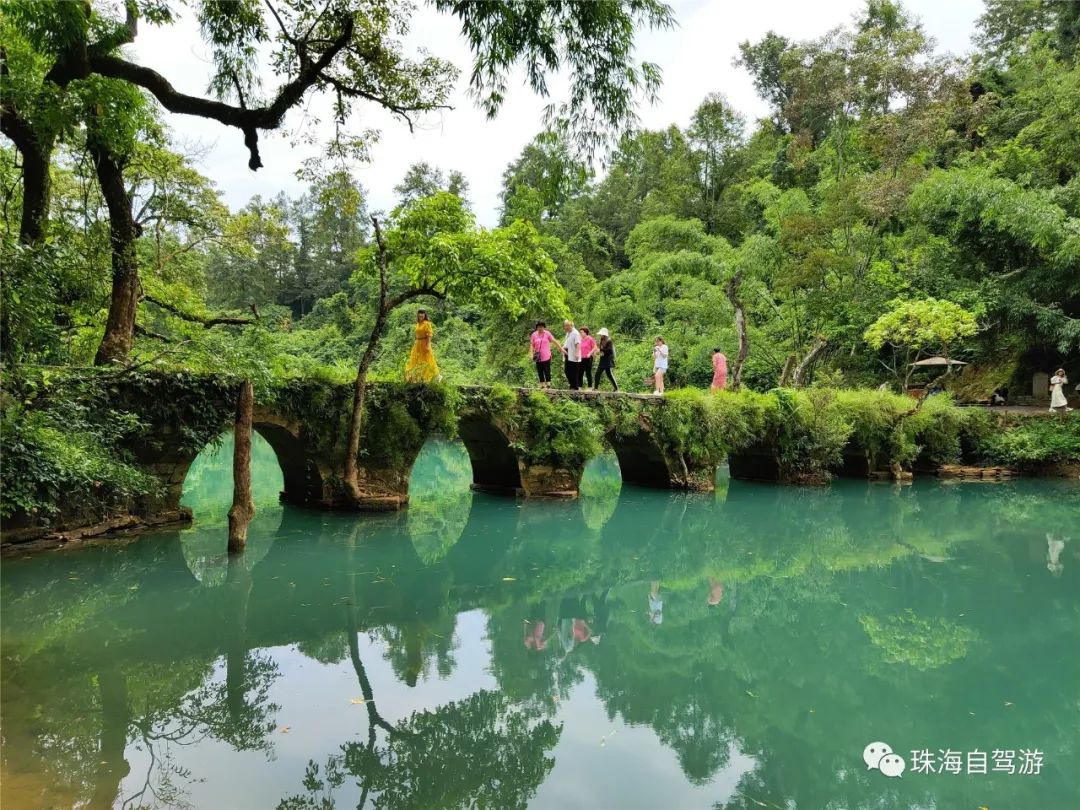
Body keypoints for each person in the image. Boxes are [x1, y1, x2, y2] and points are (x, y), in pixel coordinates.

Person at [404, 309, 439, 382]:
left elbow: (429, 335)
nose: (421, 316)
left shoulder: (427, 323)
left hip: (424, 343)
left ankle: (433, 376)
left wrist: (428, 345)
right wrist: (416, 342)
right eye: (419, 315)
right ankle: (415, 378)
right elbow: (417, 334)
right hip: (417, 344)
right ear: (418, 315)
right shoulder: (418, 323)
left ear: (425, 315)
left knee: (427, 359)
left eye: (422, 315)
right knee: (415, 360)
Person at [529, 321, 557, 388]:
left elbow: (554, 341)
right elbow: (532, 345)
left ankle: (548, 384)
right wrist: (531, 353)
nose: (540, 328)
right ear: (537, 327)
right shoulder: (534, 335)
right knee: (540, 370)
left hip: (546, 355)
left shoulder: (547, 333)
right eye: (538, 327)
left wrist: (560, 348)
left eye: (541, 327)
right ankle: (542, 384)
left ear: (544, 327)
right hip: (538, 356)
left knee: (547, 370)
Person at [561, 319, 582, 390]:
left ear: (572, 325)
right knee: (567, 370)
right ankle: (572, 385)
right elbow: (567, 343)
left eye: (567, 325)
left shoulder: (575, 333)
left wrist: (577, 353)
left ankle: (575, 387)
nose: (566, 327)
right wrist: (562, 348)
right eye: (565, 326)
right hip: (567, 354)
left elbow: (578, 343)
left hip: (573, 354)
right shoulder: (568, 333)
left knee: (574, 371)